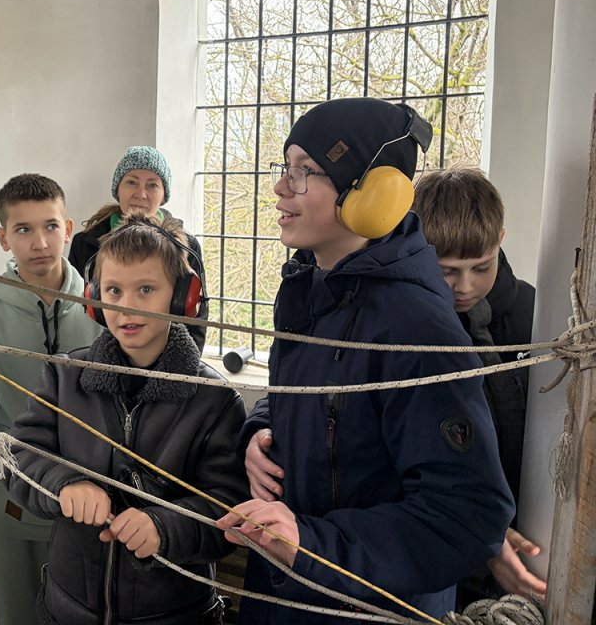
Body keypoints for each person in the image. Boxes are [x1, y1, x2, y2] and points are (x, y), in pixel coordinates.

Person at [219, 98, 514, 625]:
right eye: (286, 167)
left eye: (305, 171)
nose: (281, 187)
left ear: (372, 195)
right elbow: (304, 400)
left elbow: (467, 515)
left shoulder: (416, 326)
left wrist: (312, 545)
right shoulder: (306, 288)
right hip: (287, 590)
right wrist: (259, 434)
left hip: (364, 607)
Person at [10, 214, 248, 625]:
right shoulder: (64, 376)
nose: (126, 306)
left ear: (183, 297)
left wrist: (165, 528)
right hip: (67, 610)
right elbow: (20, 457)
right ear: (94, 297)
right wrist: (64, 483)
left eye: (146, 290)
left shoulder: (216, 401)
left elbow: (228, 508)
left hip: (174, 616)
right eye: (114, 290)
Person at [0, 173, 102, 625]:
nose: (40, 243)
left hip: (95, 508)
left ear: (68, 229)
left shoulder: (104, 312)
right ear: (3, 238)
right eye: (23, 229)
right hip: (12, 510)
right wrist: (31, 469)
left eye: (50, 226)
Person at [413, 166, 545, 604]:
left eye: (481, 267)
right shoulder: (405, 323)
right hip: (440, 531)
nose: (465, 286)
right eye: (447, 271)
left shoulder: (534, 311)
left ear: (500, 239)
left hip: (531, 528)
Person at [68, 146, 209, 350]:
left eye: (152, 185)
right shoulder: (85, 243)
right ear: (118, 189)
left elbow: (196, 318)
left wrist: (183, 362)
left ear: (163, 195)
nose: (141, 194)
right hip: (98, 355)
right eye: (132, 182)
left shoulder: (187, 246)